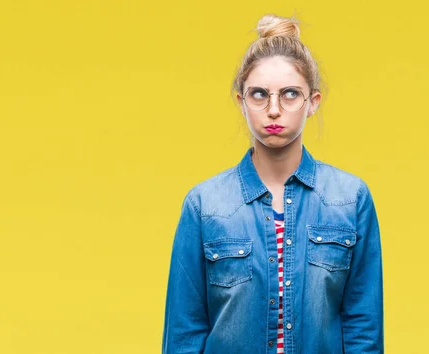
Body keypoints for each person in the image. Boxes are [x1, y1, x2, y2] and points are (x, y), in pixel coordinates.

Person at [162, 13, 383, 354]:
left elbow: (363, 331)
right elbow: (183, 335)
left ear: (313, 103)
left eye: (291, 94)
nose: (274, 110)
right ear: (241, 102)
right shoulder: (204, 205)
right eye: (260, 94)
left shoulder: (350, 199)